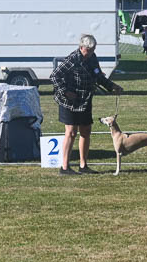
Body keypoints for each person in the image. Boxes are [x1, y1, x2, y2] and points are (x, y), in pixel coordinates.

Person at [51, 34, 123, 175]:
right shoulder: (72, 59)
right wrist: (66, 91)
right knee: (71, 132)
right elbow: (55, 76)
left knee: (86, 131)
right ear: (81, 47)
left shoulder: (92, 58)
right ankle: (64, 167)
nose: (90, 53)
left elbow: (98, 76)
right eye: (88, 50)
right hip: (69, 102)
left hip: (85, 100)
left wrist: (112, 86)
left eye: (92, 50)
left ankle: (83, 165)